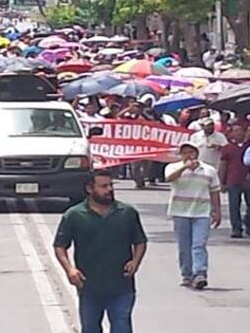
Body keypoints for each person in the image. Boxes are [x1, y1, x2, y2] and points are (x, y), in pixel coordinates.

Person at [53, 169, 147, 333]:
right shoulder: (74, 215)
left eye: (110, 185)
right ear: (90, 189)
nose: (109, 190)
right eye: (103, 186)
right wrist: (70, 269)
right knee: (90, 328)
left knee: (121, 326)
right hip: (89, 287)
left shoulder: (127, 213)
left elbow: (140, 241)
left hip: (121, 286)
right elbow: (60, 246)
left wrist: (135, 262)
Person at [165, 142, 221, 289]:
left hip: (202, 211)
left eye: (191, 152)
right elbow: (169, 178)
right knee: (184, 246)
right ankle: (187, 274)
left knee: (198, 244)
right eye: (185, 153)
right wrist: (184, 167)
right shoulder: (173, 167)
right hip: (180, 211)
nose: (188, 155)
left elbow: (215, 191)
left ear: (197, 153)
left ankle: (200, 273)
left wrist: (217, 211)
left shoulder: (209, 170)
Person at [219, 124, 250, 238]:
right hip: (233, 180)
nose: (237, 133)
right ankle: (236, 228)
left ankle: (249, 222)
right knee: (234, 206)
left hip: (248, 180)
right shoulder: (227, 147)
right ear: (231, 133)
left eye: (240, 130)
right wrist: (222, 182)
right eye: (235, 131)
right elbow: (223, 165)